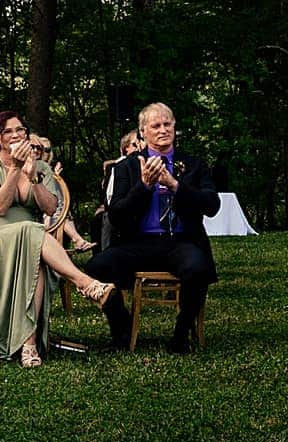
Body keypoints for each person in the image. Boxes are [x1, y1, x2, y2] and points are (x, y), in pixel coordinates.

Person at [0, 108, 108, 365]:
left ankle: (28, 345)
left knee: (36, 253)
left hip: (31, 240)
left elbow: (51, 208)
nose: (15, 134)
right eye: (6, 131)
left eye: (19, 129)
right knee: (34, 232)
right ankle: (85, 283)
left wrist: (32, 177)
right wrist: (15, 170)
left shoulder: (41, 166)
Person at [86, 102, 220, 353]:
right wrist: (144, 186)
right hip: (138, 242)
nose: (162, 130)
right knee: (97, 266)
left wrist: (176, 185)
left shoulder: (193, 164)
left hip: (180, 241)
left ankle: (181, 335)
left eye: (167, 124)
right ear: (142, 133)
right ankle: (121, 329)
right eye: (155, 126)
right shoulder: (125, 167)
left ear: (174, 127)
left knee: (197, 267)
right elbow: (115, 215)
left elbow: (212, 205)